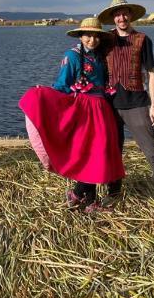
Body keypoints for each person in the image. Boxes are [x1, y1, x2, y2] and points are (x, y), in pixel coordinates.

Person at [19, 17, 125, 213]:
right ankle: (82, 196)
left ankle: (84, 197)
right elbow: (62, 85)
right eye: (87, 35)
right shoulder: (73, 56)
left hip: (101, 110)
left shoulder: (100, 57)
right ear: (80, 36)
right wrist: (44, 96)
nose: (91, 40)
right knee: (89, 153)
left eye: (95, 36)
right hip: (84, 110)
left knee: (98, 153)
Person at [97, 0, 154, 214]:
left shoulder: (143, 39)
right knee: (113, 151)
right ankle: (113, 194)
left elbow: (151, 73)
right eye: (117, 14)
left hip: (137, 104)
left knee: (152, 151)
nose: (121, 17)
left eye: (124, 13)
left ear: (130, 15)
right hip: (111, 105)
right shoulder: (105, 39)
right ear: (113, 18)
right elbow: (91, 64)